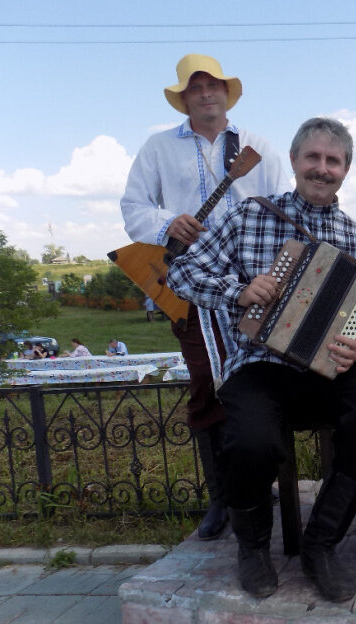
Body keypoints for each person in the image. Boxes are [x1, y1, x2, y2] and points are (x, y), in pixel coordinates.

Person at [166, 117, 356, 601]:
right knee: (250, 441)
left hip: (327, 369)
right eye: (313, 157)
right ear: (294, 161)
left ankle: (321, 545)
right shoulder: (250, 214)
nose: (322, 168)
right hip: (259, 365)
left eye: (333, 161)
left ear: (346, 169)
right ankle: (252, 549)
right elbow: (182, 271)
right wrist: (239, 290)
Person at [120, 54, 291, 542]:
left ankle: (263, 481)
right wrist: (166, 223)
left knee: (264, 381)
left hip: (256, 286)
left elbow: (283, 205)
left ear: (225, 92)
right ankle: (223, 498)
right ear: (185, 98)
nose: (205, 94)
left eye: (212, 85)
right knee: (205, 386)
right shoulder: (157, 148)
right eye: (195, 88)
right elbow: (133, 207)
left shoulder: (257, 147)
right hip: (193, 289)